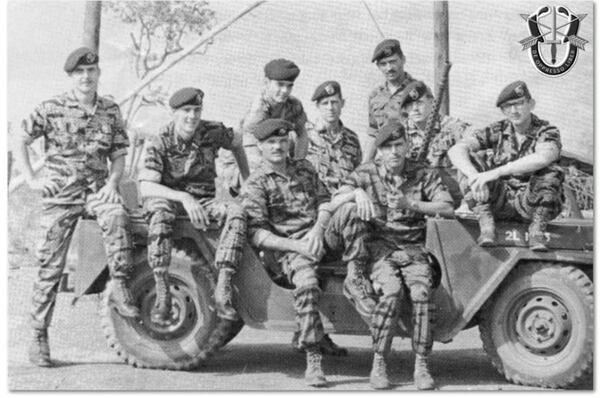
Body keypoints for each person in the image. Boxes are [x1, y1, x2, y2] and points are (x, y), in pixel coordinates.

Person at [16, 47, 140, 367]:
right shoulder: (52, 108)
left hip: (97, 191)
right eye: (80, 73)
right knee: (50, 266)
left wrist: (113, 184)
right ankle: (39, 335)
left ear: (98, 73)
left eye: (92, 71)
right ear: (71, 77)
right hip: (61, 195)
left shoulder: (110, 110)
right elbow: (19, 138)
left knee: (117, 217)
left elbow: (119, 155)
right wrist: (31, 178)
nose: (87, 77)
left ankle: (122, 286)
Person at [241, 119, 375, 387]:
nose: (278, 146)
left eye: (282, 140)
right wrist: (298, 246)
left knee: (350, 211)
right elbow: (257, 234)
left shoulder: (303, 167)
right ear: (260, 146)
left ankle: (355, 278)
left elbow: (326, 200)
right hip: (290, 249)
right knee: (308, 285)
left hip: (319, 234)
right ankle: (313, 356)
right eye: (271, 142)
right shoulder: (256, 182)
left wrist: (319, 228)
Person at [335, 121, 454, 389]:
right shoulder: (367, 172)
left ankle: (421, 364)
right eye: (387, 147)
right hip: (380, 249)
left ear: (407, 146)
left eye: (398, 145)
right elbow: (337, 195)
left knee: (421, 293)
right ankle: (379, 362)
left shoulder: (422, 173)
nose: (394, 152)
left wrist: (411, 203)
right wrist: (356, 193)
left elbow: (447, 207)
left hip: (414, 248)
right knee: (391, 292)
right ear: (379, 151)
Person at [138, 87, 250, 326]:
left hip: (203, 200)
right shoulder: (160, 140)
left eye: (197, 110)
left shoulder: (212, 132)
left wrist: (246, 180)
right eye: (186, 111)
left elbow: (238, 141)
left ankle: (223, 287)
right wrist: (183, 198)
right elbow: (147, 186)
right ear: (174, 113)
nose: (192, 116)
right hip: (168, 198)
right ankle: (162, 290)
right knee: (160, 213)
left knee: (237, 213)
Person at [447, 81, 564, 250]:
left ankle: (537, 230)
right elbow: (456, 150)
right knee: (469, 161)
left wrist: (496, 172)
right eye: (508, 106)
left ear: (531, 104)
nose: (514, 111)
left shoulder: (546, 130)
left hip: (531, 202)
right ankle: (486, 223)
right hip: (499, 200)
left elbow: (544, 157)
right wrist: (474, 176)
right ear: (502, 111)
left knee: (551, 171)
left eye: (519, 104)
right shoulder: (498, 130)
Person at [218, 58, 308, 195]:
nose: (285, 91)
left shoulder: (294, 105)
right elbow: (249, 148)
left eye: (289, 86)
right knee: (266, 187)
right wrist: (274, 173)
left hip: (269, 152)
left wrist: (298, 163)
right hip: (239, 162)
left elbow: (302, 134)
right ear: (266, 83)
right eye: (280, 85)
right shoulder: (259, 109)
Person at [401, 80, 472, 207]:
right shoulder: (401, 133)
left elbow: (478, 147)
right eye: (410, 105)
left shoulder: (453, 127)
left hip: (454, 192)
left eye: (420, 103)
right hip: (419, 195)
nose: (415, 109)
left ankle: (468, 203)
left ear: (432, 103)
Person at [364, 38, 418, 163]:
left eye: (393, 62)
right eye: (383, 64)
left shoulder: (418, 91)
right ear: (378, 66)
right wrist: (365, 164)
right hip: (387, 162)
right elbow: (373, 133)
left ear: (403, 60)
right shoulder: (375, 96)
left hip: (414, 161)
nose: (389, 68)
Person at [305, 80, 362, 193]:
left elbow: (357, 175)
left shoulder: (352, 139)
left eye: (334, 102)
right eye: (325, 103)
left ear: (342, 103)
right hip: (313, 200)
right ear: (317, 106)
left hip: (344, 198)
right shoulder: (305, 135)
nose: (330, 107)